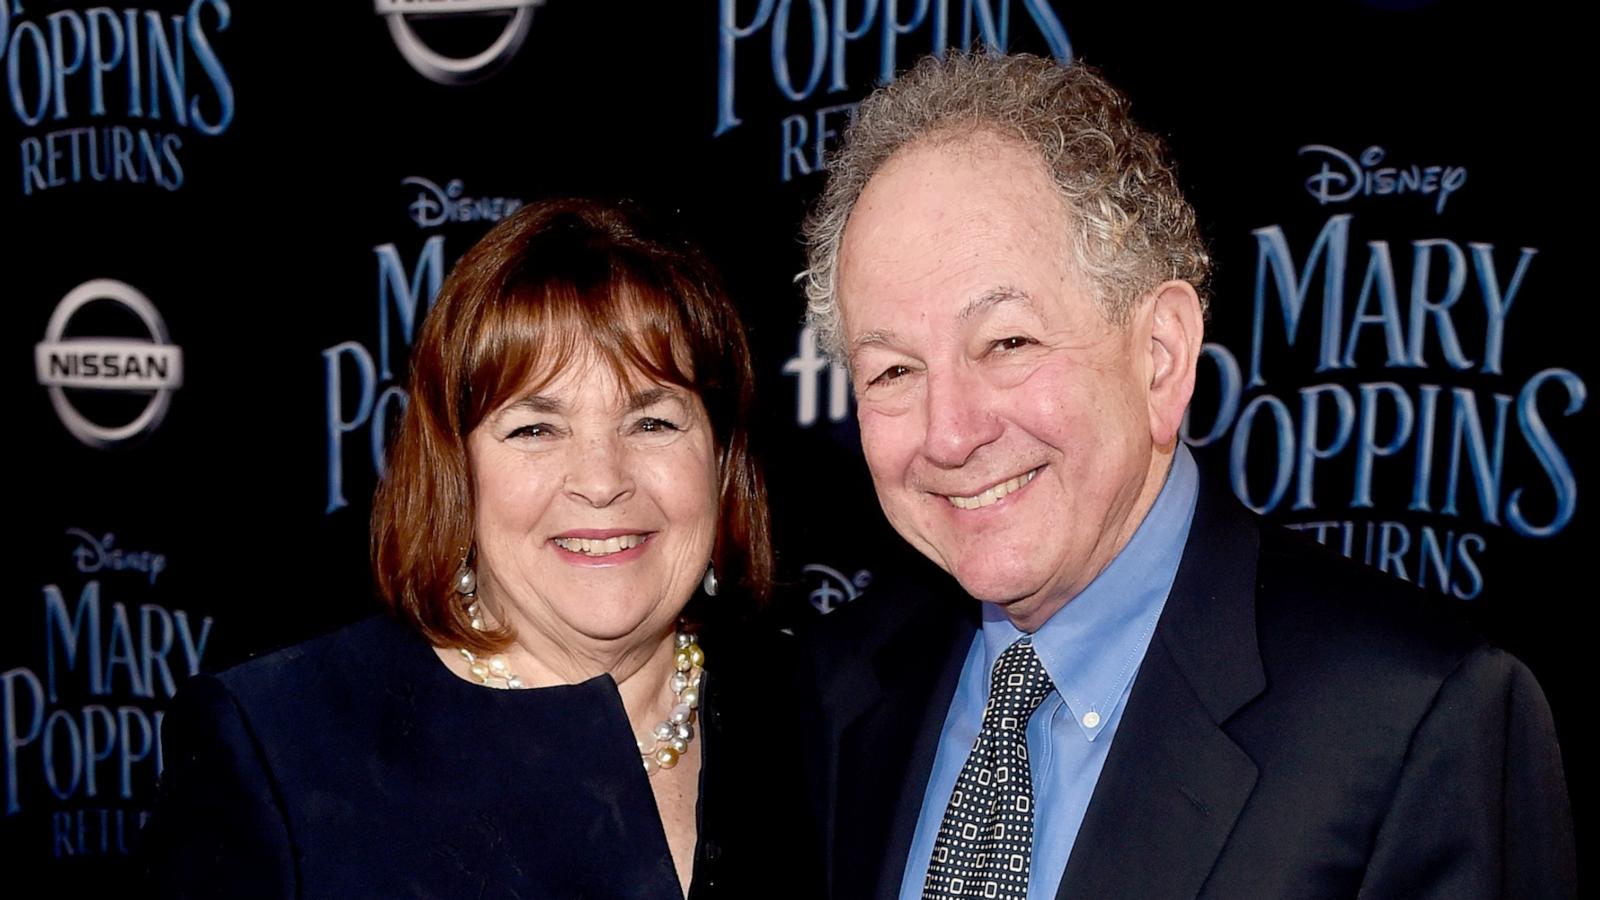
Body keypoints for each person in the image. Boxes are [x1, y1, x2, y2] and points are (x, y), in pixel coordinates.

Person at [796, 52, 1575, 899]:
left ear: (1162, 356)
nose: (949, 434)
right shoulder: (836, 688)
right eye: (893, 372)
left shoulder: (1421, 720)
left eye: (1009, 344)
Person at [140, 198, 814, 899]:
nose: (601, 481)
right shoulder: (280, 746)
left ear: (722, 458)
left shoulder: (822, 723)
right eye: (534, 429)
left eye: (651, 422)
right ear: (455, 471)